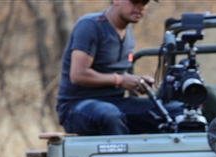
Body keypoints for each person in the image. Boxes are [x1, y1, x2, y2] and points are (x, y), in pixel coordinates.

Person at [56, 0, 179, 135]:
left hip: (116, 103)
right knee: (110, 115)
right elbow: (78, 75)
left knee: (176, 111)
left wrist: (136, 80)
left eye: (144, 3)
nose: (140, 7)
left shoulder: (128, 32)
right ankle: (124, 156)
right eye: (135, 1)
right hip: (76, 107)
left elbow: (115, 73)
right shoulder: (90, 26)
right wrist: (120, 80)